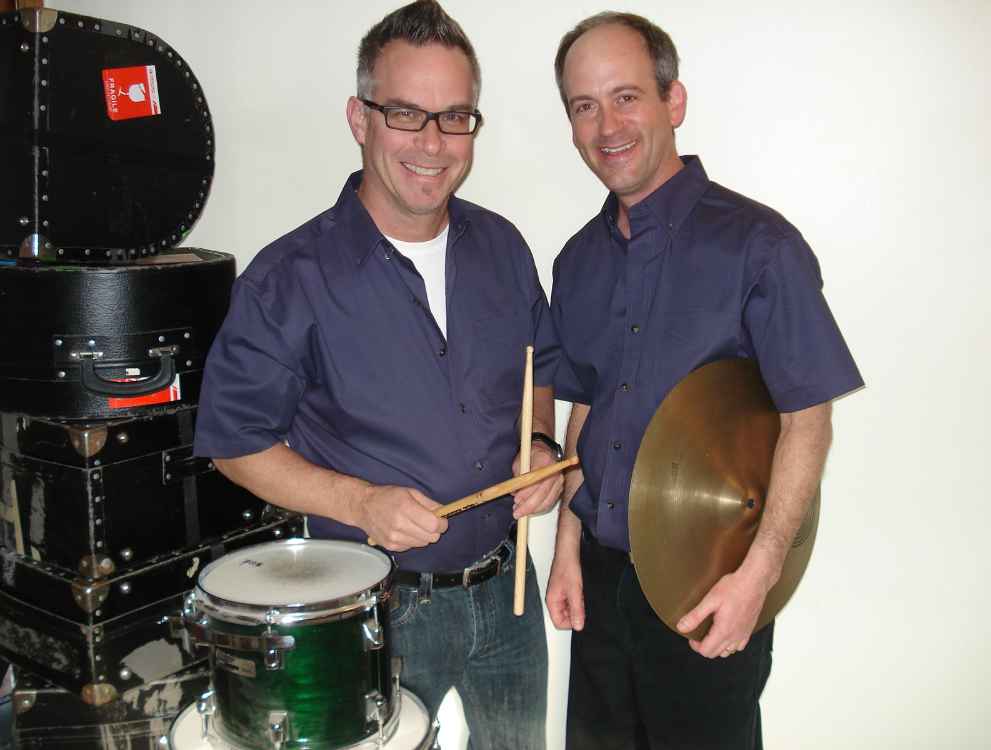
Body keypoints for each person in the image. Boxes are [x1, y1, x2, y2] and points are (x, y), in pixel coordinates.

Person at [194, 2, 561, 747]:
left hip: (508, 592)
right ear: (360, 119)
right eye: (406, 114)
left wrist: (543, 449)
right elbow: (234, 442)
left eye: (455, 117)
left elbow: (539, 371)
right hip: (378, 611)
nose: (433, 143)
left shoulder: (503, 248)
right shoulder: (287, 277)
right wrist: (361, 502)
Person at [544, 12, 864, 750]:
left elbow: (807, 421)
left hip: (709, 580)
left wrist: (757, 579)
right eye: (583, 106)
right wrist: (565, 549)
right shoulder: (577, 261)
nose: (606, 126)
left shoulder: (760, 247)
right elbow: (586, 407)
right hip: (600, 575)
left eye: (626, 97)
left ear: (672, 102)